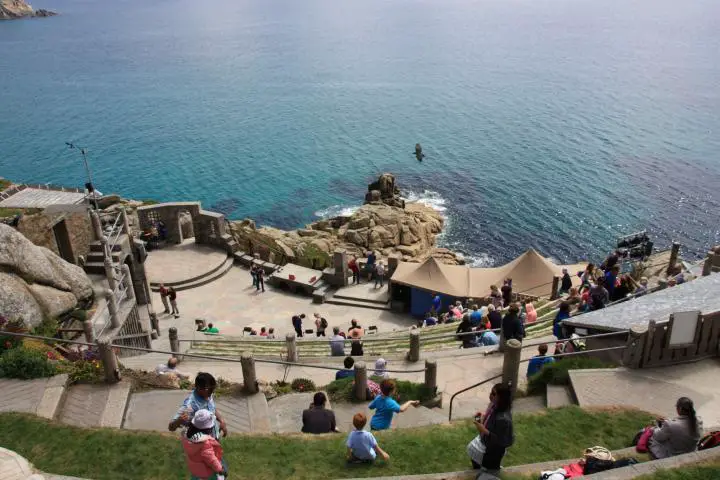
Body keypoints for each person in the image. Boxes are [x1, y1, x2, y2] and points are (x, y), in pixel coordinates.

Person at [170, 372, 228, 440]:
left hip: (213, 438)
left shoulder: (207, 394)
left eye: (213, 388)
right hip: (200, 443)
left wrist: (222, 421)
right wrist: (179, 421)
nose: (212, 392)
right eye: (210, 389)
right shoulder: (190, 405)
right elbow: (171, 427)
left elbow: (212, 408)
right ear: (198, 388)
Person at [469, 383, 514, 471]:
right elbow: (490, 418)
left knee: (490, 469)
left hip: (494, 449)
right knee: (474, 455)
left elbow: (498, 440)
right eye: (491, 392)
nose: (490, 395)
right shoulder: (494, 405)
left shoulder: (503, 419)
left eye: (494, 394)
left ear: (501, 398)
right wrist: (482, 418)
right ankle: (478, 469)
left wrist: (483, 430)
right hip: (486, 441)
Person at [181, 409, 228, 480]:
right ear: (207, 429)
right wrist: (220, 470)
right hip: (207, 470)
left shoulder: (187, 436)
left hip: (196, 467)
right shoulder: (205, 444)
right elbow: (211, 459)